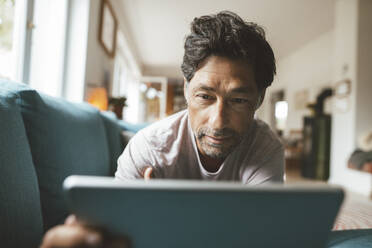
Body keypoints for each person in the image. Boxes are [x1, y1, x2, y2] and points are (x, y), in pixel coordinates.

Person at [40, 11, 283, 248]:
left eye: (238, 101)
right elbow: (117, 234)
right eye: (205, 96)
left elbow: (261, 236)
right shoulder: (147, 148)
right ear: (187, 89)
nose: (218, 122)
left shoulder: (265, 149)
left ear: (259, 99)